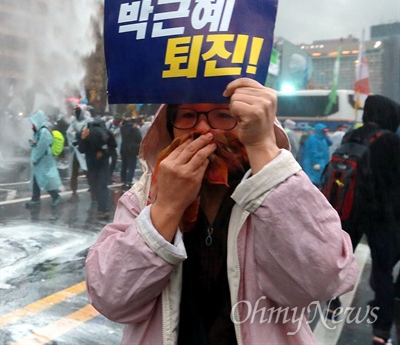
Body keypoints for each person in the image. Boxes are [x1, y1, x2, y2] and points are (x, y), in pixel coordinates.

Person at [85, 77, 358, 344]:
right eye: (187, 115)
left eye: (224, 115)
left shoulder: (279, 188)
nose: (204, 130)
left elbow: (324, 281)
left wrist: (262, 147)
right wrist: (166, 207)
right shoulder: (144, 195)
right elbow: (111, 298)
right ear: (169, 127)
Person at [341, 95, 400, 345]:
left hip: (350, 211)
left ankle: (332, 303)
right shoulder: (390, 140)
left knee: (342, 258)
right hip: (382, 216)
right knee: (383, 271)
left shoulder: (350, 136)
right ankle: (382, 329)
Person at [78, 116, 115, 217]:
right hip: (103, 163)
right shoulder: (107, 132)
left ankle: (99, 203)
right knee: (103, 185)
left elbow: (81, 149)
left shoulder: (87, 132)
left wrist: (82, 139)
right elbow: (113, 147)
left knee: (95, 185)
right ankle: (103, 209)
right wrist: (104, 153)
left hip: (91, 163)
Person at [25, 110, 62, 208]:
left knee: (44, 179)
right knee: (37, 178)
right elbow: (34, 143)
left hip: (43, 160)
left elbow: (42, 147)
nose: (32, 124)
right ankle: (35, 198)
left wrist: (35, 159)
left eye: (33, 122)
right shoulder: (38, 131)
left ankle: (56, 196)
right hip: (40, 159)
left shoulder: (44, 131)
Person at [66, 105, 92, 201]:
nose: (76, 114)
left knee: (87, 171)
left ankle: (93, 188)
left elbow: (89, 133)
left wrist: (80, 136)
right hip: (76, 150)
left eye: (78, 112)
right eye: (75, 112)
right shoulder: (73, 122)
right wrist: (76, 138)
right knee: (74, 172)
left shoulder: (88, 121)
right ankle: (74, 192)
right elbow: (69, 133)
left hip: (85, 151)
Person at [119, 115, 142, 190]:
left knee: (124, 165)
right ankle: (129, 180)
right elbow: (139, 138)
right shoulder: (134, 129)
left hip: (123, 148)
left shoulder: (122, 128)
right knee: (131, 166)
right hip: (132, 149)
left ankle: (123, 179)